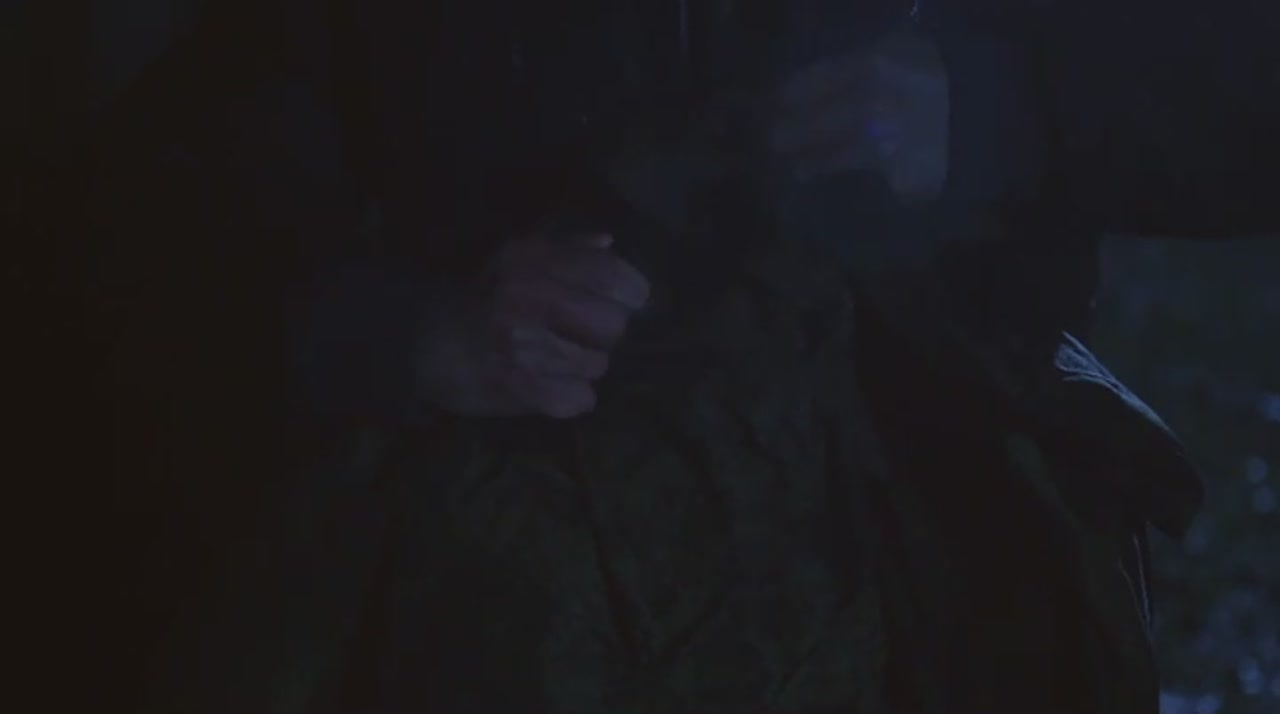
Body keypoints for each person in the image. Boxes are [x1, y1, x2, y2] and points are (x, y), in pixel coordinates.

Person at [87, 0, 1278, 712]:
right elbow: (169, 183)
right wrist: (409, 332)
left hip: (928, 471)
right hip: (504, 507)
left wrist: (993, 102)